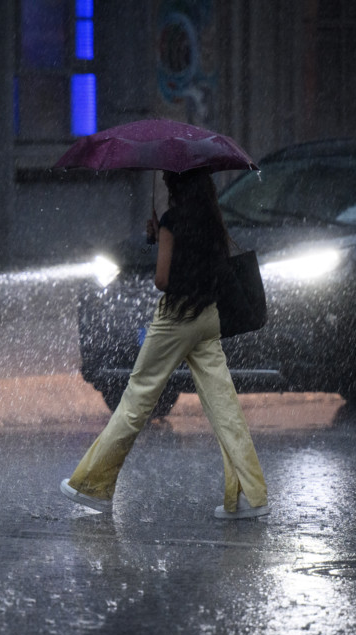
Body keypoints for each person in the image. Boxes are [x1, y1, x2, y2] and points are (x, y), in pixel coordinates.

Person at [60, 167, 269, 519]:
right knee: (223, 407)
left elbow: (162, 280)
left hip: (175, 319)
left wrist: (163, 237)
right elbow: (204, 265)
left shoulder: (173, 219)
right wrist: (162, 237)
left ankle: (93, 486)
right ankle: (251, 496)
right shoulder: (212, 221)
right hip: (207, 319)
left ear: (174, 185)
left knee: (137, 398)